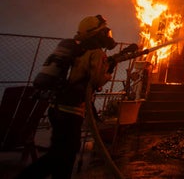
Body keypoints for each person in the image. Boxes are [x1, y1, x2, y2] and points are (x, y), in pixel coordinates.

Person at [16, 15, 117, 179]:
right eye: (105, 31)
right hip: (71, 111)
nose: (108, 35)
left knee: (62, 154)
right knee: (61, 155)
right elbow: (96, 80)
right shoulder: (96, 53)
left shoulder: (77, 48)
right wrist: (109, 70)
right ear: (97, 34)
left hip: (56, 108)